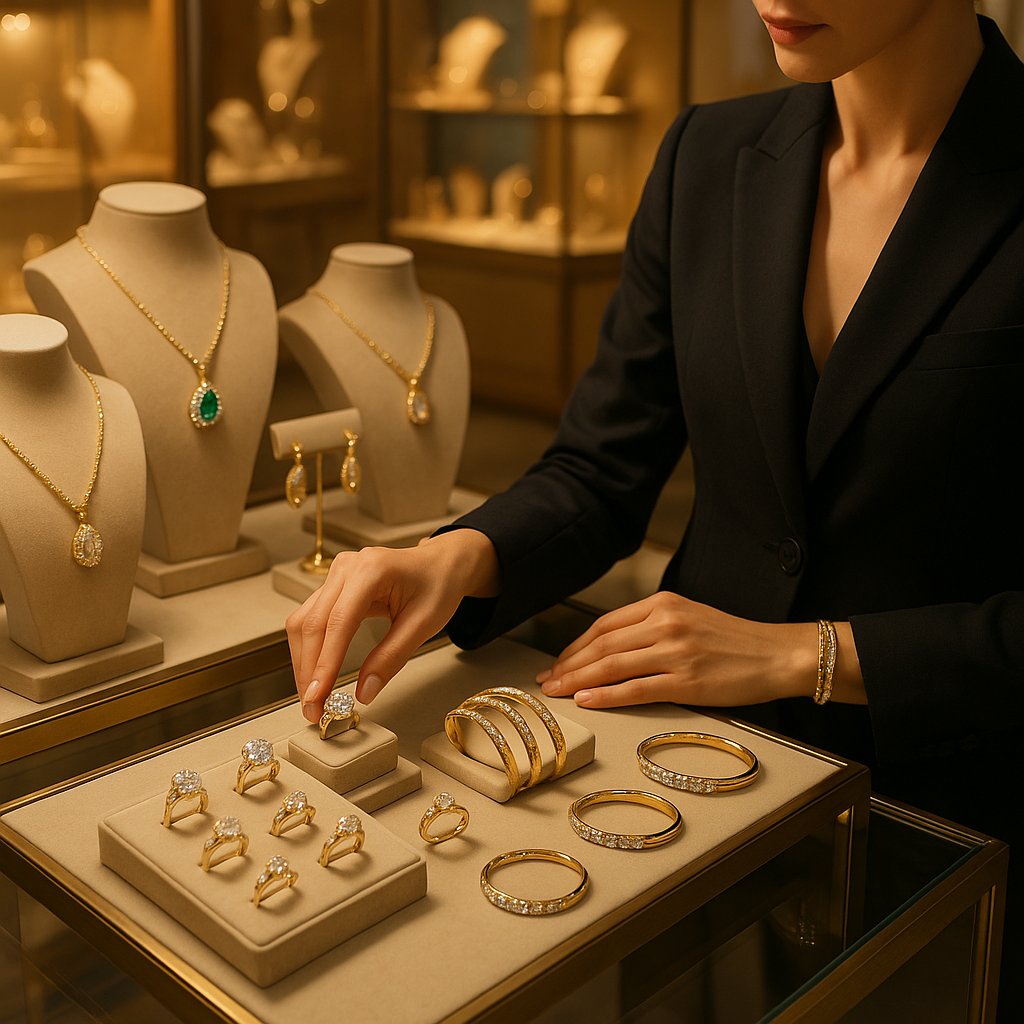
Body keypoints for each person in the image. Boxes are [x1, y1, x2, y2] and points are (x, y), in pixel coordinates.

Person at [288, 2, 1021, 1014]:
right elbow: (600, 468)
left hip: (942, 832)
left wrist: (805, 654)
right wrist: (455, 555)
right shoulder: (707, 158)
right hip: (666, 796)